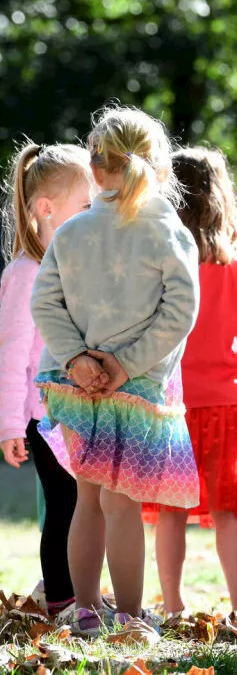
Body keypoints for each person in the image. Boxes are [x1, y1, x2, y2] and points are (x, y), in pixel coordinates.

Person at [32, 101, 200, 634]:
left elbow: (45, 304)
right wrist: (124, 366)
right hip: (138, 384)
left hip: (75, 386)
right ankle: (128, 614)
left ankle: (85, 610)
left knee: (87, 497)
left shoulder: (72, 231)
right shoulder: (167, 231)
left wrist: (78, 361)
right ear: (160, 167)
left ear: (94, 167)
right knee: (122, 502)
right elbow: (181, 310)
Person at [141, 147, 237, 618]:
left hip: (168, 407)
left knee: (170, 511)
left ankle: (172, 607)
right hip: (224, 408)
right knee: (228, 513)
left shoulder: (157, 268)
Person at [0, 142, 93, 618]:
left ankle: (85, 596)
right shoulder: (25, 274)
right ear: (46, 209)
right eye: (85, 206)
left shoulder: (70, 269)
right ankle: (62, 598)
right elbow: (13, 357)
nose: (93, 216)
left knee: (85, 507)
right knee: (63, 508)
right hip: (45, 418)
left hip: (80, 412)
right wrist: (11, 426)